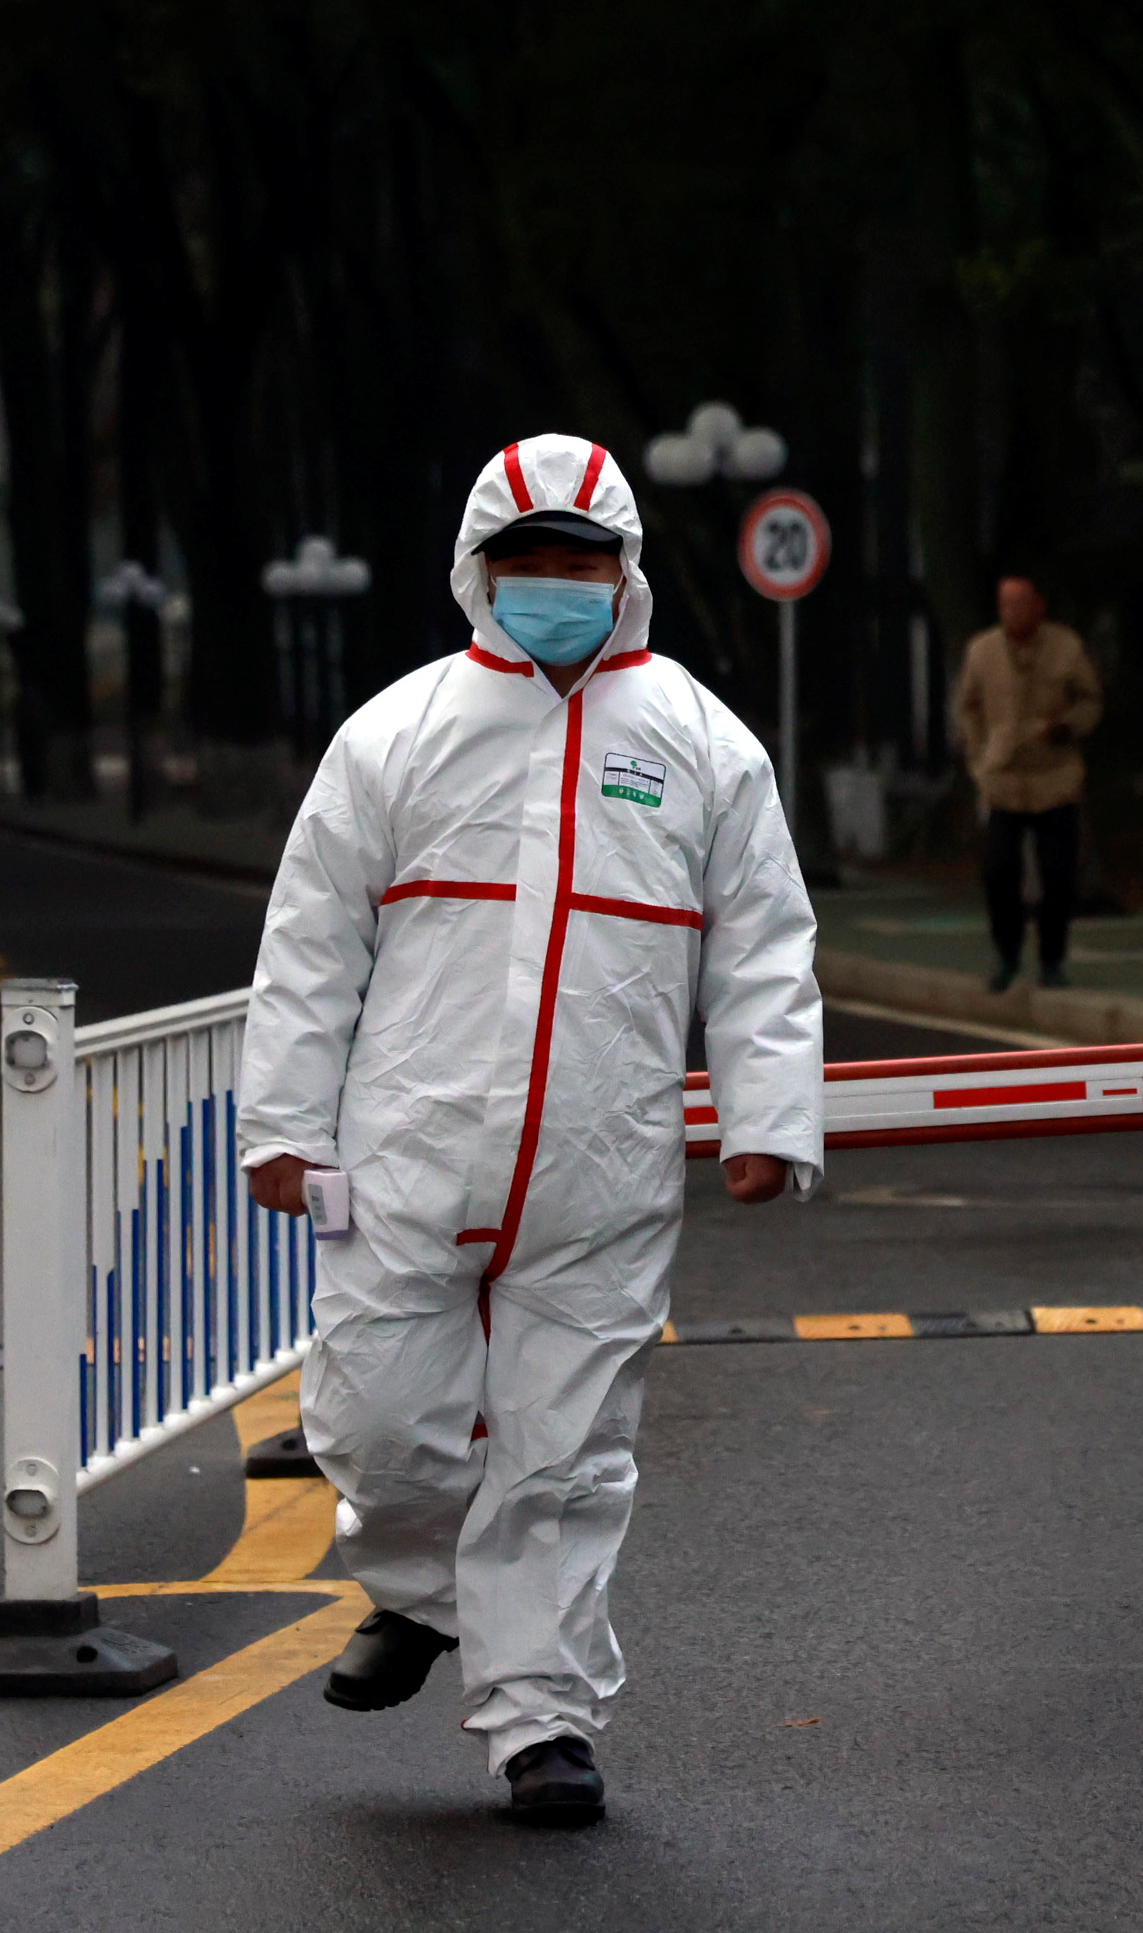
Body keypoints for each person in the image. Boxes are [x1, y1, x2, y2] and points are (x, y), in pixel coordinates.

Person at [239, 432, 823, 1828]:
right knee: (378, 1426)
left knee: (564, 1459)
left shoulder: (697, 743)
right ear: (476, 570)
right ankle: (425, 1593)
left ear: (625, 572)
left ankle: (541, 1726)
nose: (554, 582)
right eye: (526, 560)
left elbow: (762, 945)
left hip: (603, 1165)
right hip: (410, 1153)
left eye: (581, 558)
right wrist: (284, 1123)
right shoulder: (398, 733)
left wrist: (767, 1114)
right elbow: (310, 946)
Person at [952, 571, 1102, 992]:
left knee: (1058, 875)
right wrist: (980, 754)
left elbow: (1090, 700)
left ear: (1039, 605)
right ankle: (1007, 955)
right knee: (999, 873)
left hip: (1056, 779)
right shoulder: (982, 652)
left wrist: (1069, 726)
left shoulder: (1066, 648)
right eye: (1005, 604)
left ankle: (1052, 959)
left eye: (1020, 603)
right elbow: (967, 707)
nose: (1012, 612)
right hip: (1002, 781)